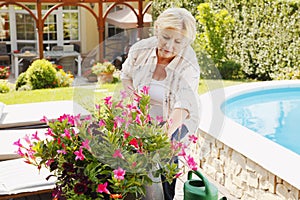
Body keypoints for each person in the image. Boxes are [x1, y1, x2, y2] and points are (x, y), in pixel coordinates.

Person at [121, 7, 200, 200]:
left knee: (163, 165)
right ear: (157, 29)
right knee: (135, 168)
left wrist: (159, 139)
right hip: (143, 116)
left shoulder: (188, 63)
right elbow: (126, 77)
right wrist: (134, 107)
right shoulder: (140, 50)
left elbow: (183, 105)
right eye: (165, 37)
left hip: (176, 119)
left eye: (178, 41)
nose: (169, 46)